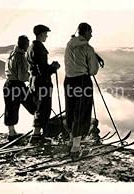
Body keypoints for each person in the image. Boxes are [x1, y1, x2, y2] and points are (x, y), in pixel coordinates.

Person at [64, 22, 104, 160]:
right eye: (90, 32)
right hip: (82, 82)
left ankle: (71, 141)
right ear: (85, 32)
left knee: (71, 109)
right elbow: (93, 70)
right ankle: (76, 148)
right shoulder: (88, 48)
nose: (91, 35)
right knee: (82, 111)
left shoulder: (69, 44)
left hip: (68, 80)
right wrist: (93, 59)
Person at [27, 24, 60, 144]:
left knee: (39, 106)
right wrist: (54, 67)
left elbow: (37, 67)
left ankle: (37, 135)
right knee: (43, 107)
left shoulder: (31, 47)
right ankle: (36, 136)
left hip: (34, 81)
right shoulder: (39, 48)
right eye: (46, 33)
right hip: (42, 83)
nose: (47, 36)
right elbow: (43, 70)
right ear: (41, 34)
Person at [3, 35, 36, 141]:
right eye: (27, 43)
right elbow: (22, 77)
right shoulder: (21, 57)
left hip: (8, 84)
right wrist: (30, 76)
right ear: (24, 44)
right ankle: (38, 131)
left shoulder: (11, 54)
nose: (28, 46)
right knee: (33, 105)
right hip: (18, 86)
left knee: (10, 108)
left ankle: (11, 132)